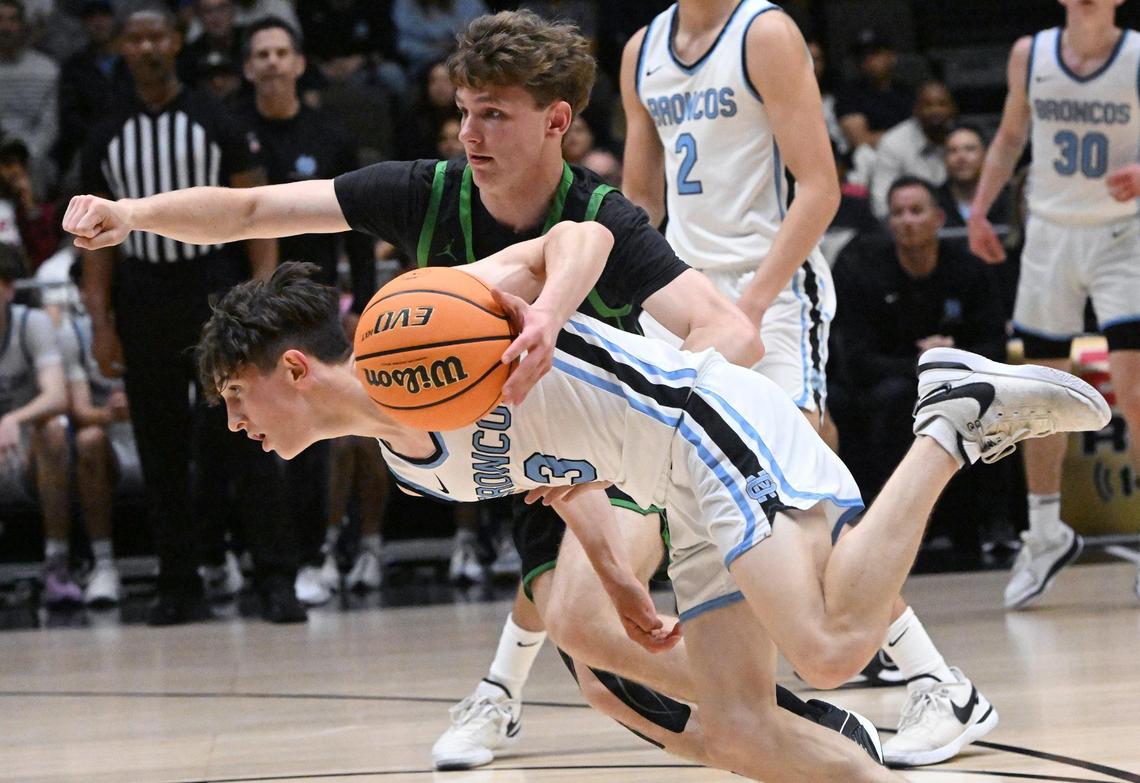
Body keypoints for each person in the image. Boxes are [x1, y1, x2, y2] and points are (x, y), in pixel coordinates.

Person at [61, 10, 909, 773]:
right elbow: (252, 213)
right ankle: (764, 708)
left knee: (609, 621)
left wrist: (619, 414)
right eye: (463, 109)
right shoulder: (424, 193)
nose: (469, 131)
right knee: (598, 653)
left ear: (555, 121)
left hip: (622, 434)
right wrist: (133, 216)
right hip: (516, 443)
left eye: (493, 113)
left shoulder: (602, 216)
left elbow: (729, 332)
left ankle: (820, 682)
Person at [196, 256, 1107, 782]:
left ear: (293, 370)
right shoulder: (409, 470)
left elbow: (574, 232)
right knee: (746, 730)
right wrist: (620, 573)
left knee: (829, 646)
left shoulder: (420, 317)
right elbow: (561, 469)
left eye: (237, 396)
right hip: (669, 491)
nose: (237, 423)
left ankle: (949, 418)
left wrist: (546, 312)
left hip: (694, 417)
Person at [621, 0, 996, 766]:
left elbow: (819, 187)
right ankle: (778, 687)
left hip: (776, 293)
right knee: (682, 498)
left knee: (801, 501)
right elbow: (639, 205)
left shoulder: (765, 32)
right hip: (685, 296)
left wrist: (752, 304)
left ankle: (936, 681)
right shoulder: (640, 50)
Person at [75, 3, 294, 626]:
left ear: (176, 41)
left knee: (251, 432)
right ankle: (178, 583)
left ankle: (275, 576)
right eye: (135, 38)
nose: (147, 48)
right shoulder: (105, 133)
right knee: (160, 444)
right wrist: (100, 323)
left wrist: (264, 299)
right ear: (122, 46)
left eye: (157, 36)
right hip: (142, 297)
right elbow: (92, 245)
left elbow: (257, 210)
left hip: (215, 291)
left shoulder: (214, 118)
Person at [968, 0, 1140, 607]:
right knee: (1040, 392)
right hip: (1049, 232)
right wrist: (982, 209)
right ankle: (1044, 533)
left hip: (1126, 234)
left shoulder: (1138, 54)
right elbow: (1012, 134)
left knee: (1136, 387)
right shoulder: (1030, 53)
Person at [233, 15, 378, 604]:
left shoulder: (329, 134)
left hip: (315, 310)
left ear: (297, 63)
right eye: (260, 53)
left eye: (280, 52)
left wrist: (363, 304)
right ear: (248, 67)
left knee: (318, 433)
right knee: (252, 433)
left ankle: (318, 552)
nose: (271, 61)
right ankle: (258, 558)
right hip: (252, 310)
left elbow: (360, 229)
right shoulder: (236, 134)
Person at [834, 177, 1007, 495]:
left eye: (916, 211)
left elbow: (995, 344)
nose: (907, 221)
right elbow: (856, 359)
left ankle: (993, 528)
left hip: (963, 378)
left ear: (938, 218)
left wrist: (953, 356)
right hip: (893, 381)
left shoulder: (970, 269)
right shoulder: (863, 271)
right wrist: (922, 365)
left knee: (993, 402)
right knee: (893, 400)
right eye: (898, 213)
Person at [0, 245, 71, 605]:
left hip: (26, 451)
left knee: (53, 432)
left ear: (9, 289)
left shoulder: (32, 323)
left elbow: (58, 395)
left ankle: (58, 561)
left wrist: (12, 419)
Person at [868, 80, 957, 219]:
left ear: (953, 109)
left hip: (956, 223)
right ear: (915, 109)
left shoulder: (962, 140)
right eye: (928, 105)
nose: (935, 111)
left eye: (942, 104)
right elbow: (881, 205)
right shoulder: (893, 143)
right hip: (909, 223)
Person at [0, 0, 59, 194]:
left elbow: (50, 126)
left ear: (23, 26)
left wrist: (25, 155)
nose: (5, 27)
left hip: (32, 160)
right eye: (0, 20)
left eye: (12, 20)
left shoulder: (47, 70)